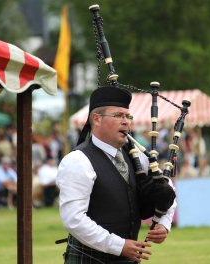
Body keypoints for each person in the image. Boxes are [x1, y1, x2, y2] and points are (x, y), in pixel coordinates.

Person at [56, 86, 176, 263]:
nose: (126, 122)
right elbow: (74, 219)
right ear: (96, 119)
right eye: (118, 115)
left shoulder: (137, 157)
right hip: (89, 259)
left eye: (128, 116)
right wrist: (119, 246)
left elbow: (165, 187)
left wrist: (164, 223)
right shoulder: (77, 161)